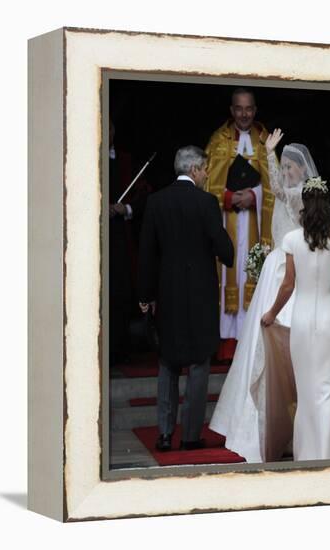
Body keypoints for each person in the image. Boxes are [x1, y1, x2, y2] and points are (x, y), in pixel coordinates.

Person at [209, 130, 320, 462]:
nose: (286, 170)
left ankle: (290, 421)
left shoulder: (301, 195)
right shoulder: (289, 190)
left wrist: (270, 157)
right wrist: (270, 155)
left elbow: (279, 193)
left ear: (303, 170)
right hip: (275, 267)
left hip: (290, 268)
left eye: (290, 166)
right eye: (284, 165)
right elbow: (274, 188)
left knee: (284, 338)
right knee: (258, 340)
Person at [138, 146, 234, 452]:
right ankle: (191, 435)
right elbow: (225, 250)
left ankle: (165, 433)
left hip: (167, 294)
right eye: (205, 168)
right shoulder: (206, 202)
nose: (207, 173)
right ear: (194, 170)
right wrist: (227, 250)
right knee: (198, 362)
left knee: (167, 361)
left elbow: (146, 254)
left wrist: (145, 295)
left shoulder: (156, 201)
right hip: (201, 294)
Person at [261, 177, 330, 461]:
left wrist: (271, 314)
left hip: (302, 323)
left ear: (304, 204)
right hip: (329, 322)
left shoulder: (292, 240)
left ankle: (306, 455)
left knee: (306, 392)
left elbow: (288, 285)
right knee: (326, 391)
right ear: (327, 204)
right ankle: (329, 453)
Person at [205, 88, 274, 361]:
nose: (244, 114)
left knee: (253, 273)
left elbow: (276, 183)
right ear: (232, 110)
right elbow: (207, 182)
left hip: (257, 224)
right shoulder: (218, 140)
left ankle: (251, 341)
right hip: (228, 221)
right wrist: (231, 197)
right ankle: (228, 345)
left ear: (255, 110)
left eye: (249, 109)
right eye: (239, 108)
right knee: (229, 273)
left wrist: (254, 196)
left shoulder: (265, 141)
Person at [109, 118, 150, 365]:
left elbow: (145, 195)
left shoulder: (126, 160)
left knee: (121, 291)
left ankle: (120, 351)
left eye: (111, 127)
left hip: (121, 239)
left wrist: (126, 209)